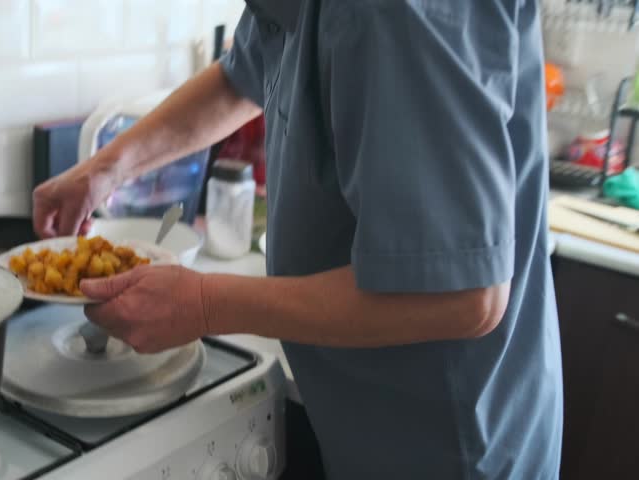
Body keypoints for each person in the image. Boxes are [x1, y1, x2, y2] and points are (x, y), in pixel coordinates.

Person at [31, 0, 563, 478]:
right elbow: (242, 77)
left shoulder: (396, 12)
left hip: (448, 442)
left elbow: (463, 296)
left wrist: (203, 303)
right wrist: (104, 169)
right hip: (367, 423)